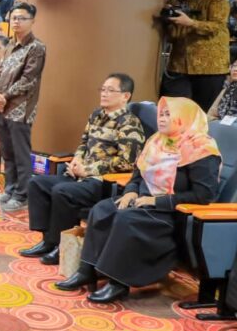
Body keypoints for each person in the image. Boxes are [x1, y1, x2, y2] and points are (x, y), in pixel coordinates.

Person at [55, 97, 220, 303]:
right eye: (161, 113)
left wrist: (156, 202)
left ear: (184, 118)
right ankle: (87, 269)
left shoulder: (202, 150)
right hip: (142, 200)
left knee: (127, 219)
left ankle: (118, 282)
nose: (162, 118)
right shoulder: (157, 141)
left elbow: (203, 196)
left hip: (171, 212)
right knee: (103, 209)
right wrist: (131, 191)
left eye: (169, 114)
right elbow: (137, 175)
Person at [21, 74, 145, 264]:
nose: (104, 94)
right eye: (102, 89)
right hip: (80, 174)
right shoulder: (96, 115)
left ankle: (61, 245)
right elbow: (84, 143)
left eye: (110, 90)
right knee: (37, 183)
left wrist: (88, 170)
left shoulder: (129, 123)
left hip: (102, 181)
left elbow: (127, 162)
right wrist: (77, 160)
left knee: (62, 191)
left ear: (125, 96)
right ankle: (48, 240)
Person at [0, 3, 46, 211]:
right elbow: (0, 72)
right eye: (14, 17)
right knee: (7, 152)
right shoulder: (10, 44)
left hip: (21, 109)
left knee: (21, 155)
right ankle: (10, 189)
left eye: (22, 18)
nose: (16, 21)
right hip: (2, 107)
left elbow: (28, 80)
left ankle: (22, 195)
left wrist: (4, 96)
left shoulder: (36, 48)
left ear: (32, 21)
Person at [161, 0, 230, 111]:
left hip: (209, 66)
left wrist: (190, 22)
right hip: (179, 65)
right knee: (173, 110)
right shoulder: (175, 1)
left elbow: (217, 26)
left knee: (202, 113)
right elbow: (171, 36)